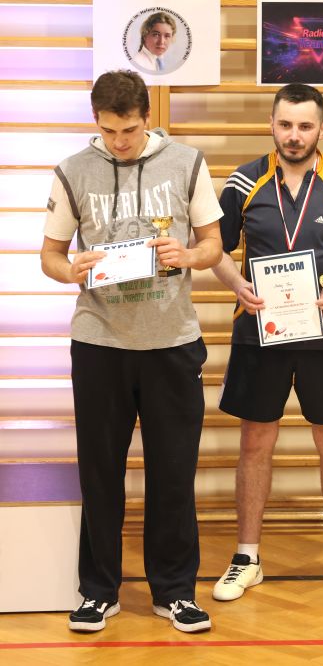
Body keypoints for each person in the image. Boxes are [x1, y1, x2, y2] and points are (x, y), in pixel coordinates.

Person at [40, 70, 222, 633]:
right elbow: (49, 256)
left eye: (130, 129)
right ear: (96, 121)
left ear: (148, 117)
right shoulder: (72, 170)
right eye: (109, 130)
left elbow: (214, 245)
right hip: (99, 342)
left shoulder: (187, 162)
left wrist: (187, 256)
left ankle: (176, 591)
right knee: (100, 473)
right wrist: (71, 269)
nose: (120, 141)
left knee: (174, 473)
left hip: (172, 342)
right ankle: (98, 591)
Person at [210, 83, 323, 604]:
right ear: (271, 124)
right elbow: (213, 248)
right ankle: (247, 557)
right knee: (254, 442)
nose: (294, 135)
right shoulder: (244, 180)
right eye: (285, 124)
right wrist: (237, 285)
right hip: (258, 333)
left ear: (322, 129)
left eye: (305, 126)